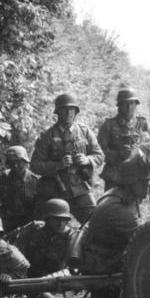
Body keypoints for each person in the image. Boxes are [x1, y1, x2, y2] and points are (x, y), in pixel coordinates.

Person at [80, 151, 150, 298]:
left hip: (108, 257)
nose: (148, 186)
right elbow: (146, 237)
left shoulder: (122, 196)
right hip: (101, 265)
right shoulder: (117, 209)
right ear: (131, 182)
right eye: (144, 182)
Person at [31, 93, 104, 224]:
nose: (69, 113)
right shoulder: (47, 136)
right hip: (54, 190)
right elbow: (35, 165)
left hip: (79, 189)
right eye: (65, 109)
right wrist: (58, 165)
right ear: (58, 112)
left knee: (94, 224)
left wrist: (88, 160)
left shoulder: (85, 132)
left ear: (76, 112)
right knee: (42, 226)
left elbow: (99, 155)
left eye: (72, 109)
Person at [97, 87, 150, 188]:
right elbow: (99, 152)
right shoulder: (108, 125)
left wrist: (139, 153)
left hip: (137, 175)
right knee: (111, 202)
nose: (129, 107)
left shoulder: (142, 123)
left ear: (136, 104)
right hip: (115, 175)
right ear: (119, 105)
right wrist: (118, 154)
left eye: (132, 103)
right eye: (126, 104)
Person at [0, 145, 39, 233]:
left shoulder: (35, 181)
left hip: (27, 223)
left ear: (25, 162)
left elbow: (41, 206)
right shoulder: (1, 178)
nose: (15, 165)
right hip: (5, 220)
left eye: (19, 162)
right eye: (12, 162)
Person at [11, 198, 76, 278]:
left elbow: (73, 268)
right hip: (27, 277)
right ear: (47, 219)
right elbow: (14, 252)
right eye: (56, 219)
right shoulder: (33, 230)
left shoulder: (72, 237)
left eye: (65, 219)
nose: (61, 223)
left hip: (56, 281)